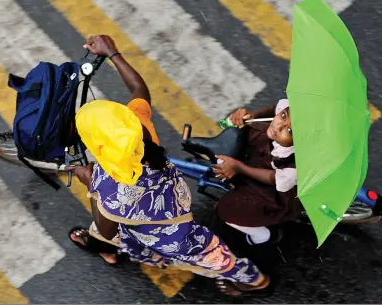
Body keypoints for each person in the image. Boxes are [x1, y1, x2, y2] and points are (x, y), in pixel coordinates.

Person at [67, 35, 272, 296]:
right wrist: (113, 54)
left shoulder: (113, 192)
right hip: (174, 200)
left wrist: (91, 185)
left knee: (210, 257)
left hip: (172, 236)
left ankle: (256, 281)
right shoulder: (138, 130)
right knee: (199, 249)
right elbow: (139, 91)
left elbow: (107, 227)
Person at [212, 100, 303, 245]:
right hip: (261, 156)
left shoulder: (294, 166)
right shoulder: (286, 114)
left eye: (290, 131)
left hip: (274, 190)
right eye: (284, 116)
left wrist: (239, 167)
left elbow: (273, 178)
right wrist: (250, 116)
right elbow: (274, 110)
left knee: (227, 209)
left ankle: (265, 235)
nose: (277, 126)